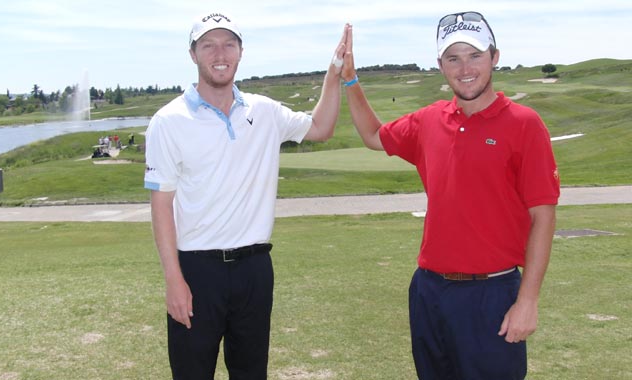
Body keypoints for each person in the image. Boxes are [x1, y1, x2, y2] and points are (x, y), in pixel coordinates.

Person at [339, 12, 560, 380]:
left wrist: (528, 301)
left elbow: (543, 216)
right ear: (440, 65)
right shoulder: (429, 120)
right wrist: (350, 80)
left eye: (474, 55)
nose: (465, 68)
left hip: (491, 294)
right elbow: (375, 136)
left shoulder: (524, 124)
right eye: (453, 58)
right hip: (429, 291)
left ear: (495, 56)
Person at [144, 12, 348, 380]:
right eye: (208, 45)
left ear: (240, 53)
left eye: (229, 44)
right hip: (196, 270)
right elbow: (161, 206)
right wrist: (173, 280)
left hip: (255, 269)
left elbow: (320, 127)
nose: (219, 53)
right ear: (193, 54)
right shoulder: (168, 121)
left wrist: (332, 77)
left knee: (251, 372)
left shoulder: (264, 111)